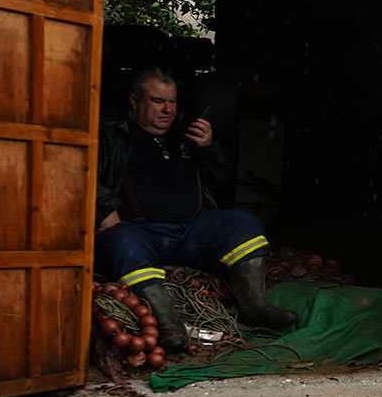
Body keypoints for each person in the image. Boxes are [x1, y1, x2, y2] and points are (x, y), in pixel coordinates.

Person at [95, 68, 297, 351]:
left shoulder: (184, 131)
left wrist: (209, 147)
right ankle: (167, 323)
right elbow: (81, 172)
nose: (168, 110)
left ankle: (255, 306)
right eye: (157, 101)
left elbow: (223, 176)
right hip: (140, 231)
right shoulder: (112, 133)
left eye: (173, 102)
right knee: (118, 241)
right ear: (134, 101)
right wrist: (104, 207)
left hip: (191, 230)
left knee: (243, 223)